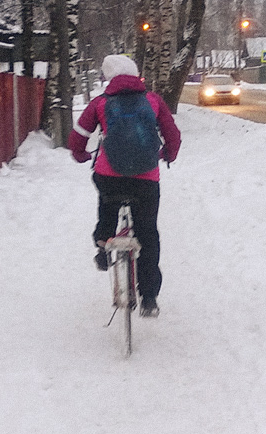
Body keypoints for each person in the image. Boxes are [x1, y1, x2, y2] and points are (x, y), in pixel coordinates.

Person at [68, 55, 181, 318]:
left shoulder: (100, 103)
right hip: (146, 178)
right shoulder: (153, 101)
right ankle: (149, 297)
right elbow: (172, 135)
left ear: (110, 78)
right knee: (148, 234)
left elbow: (78, 138)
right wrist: (167, 154)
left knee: (107, 203)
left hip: (110, 175)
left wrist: (81, 155)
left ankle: (103, 247)